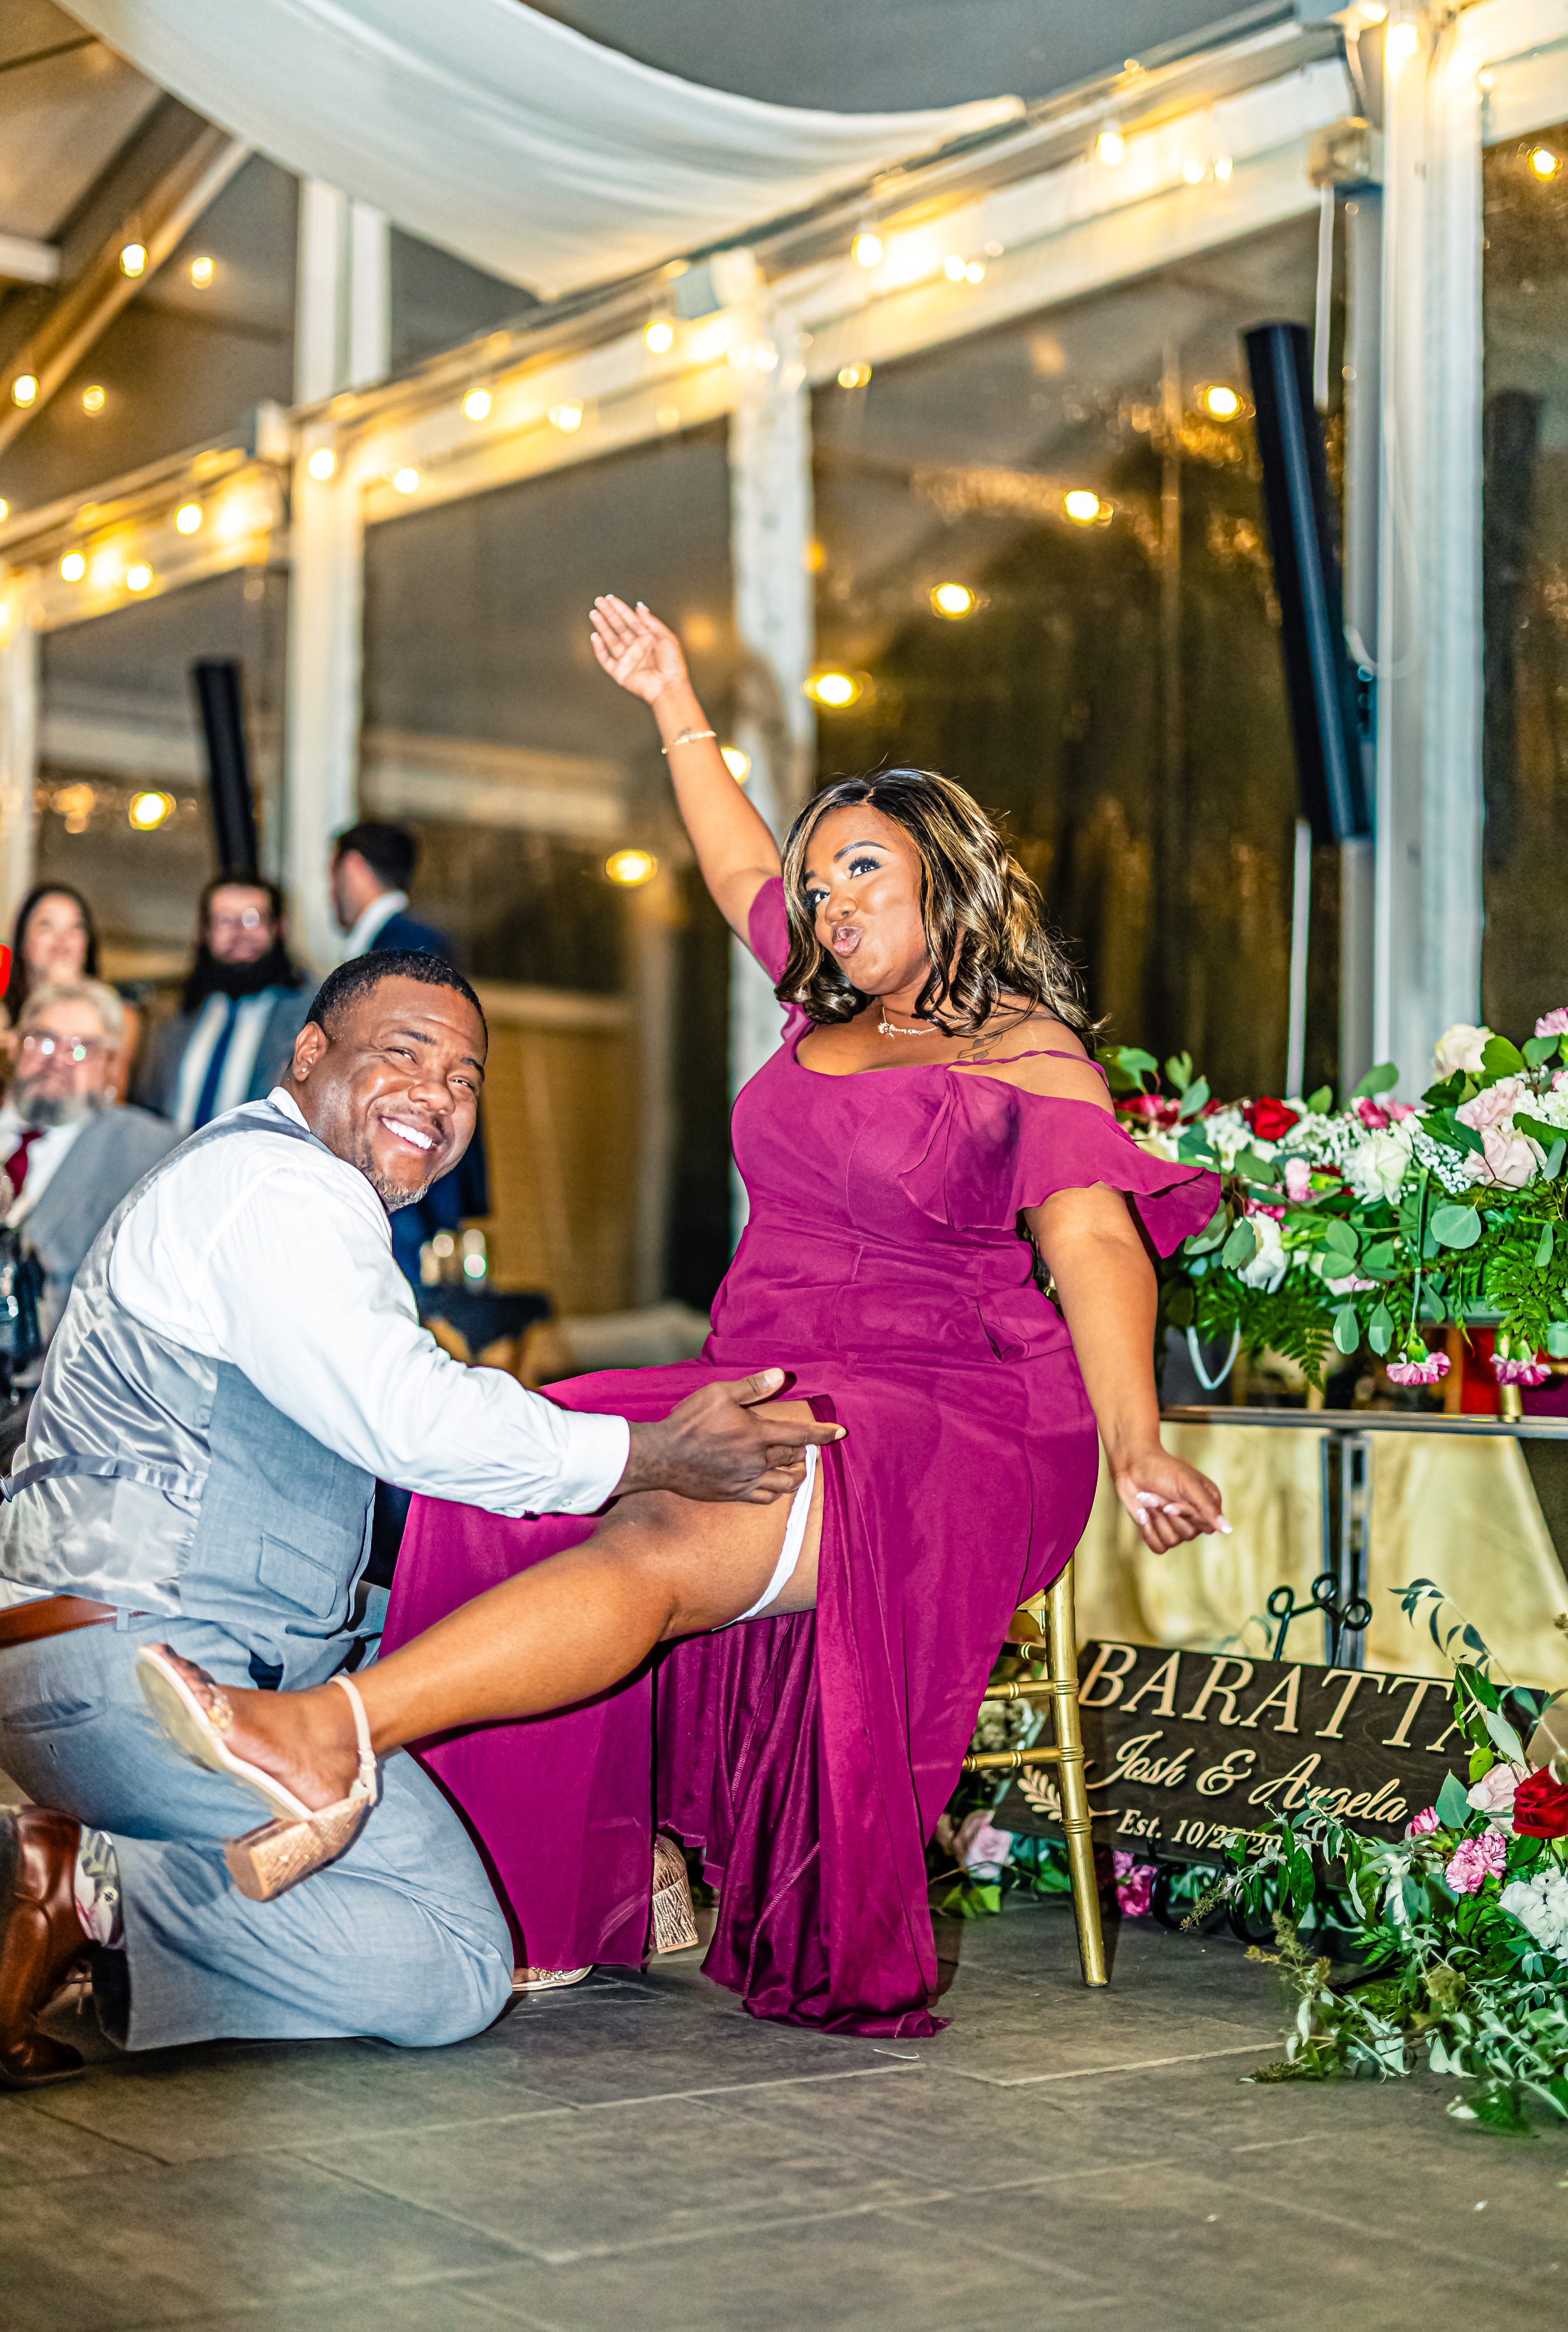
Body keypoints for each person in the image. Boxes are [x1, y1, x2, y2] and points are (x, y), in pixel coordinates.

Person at [130, 594, 1228, 2044]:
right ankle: (513, 1885)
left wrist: (1139, 1439)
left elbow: (1094, 1239)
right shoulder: (817, 1001)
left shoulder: (1028, 1053)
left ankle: (334, 1729)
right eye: (820, 883)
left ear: (946, 882)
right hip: (775, 1364)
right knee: (516, 1466)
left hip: (948, 1404)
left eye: (863, 873)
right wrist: (668, 696)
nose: (827, 903)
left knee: (659, 1526)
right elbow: (731, 857)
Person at [0, 945, 837, 2086]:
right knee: (452, 1966)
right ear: (310, 1053)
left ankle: (103, 1895)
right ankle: (102, 1892)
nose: (438, 1096)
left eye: (465, 1077)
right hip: (148, 1672)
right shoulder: (281, 1188)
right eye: (405, 1053)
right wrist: (657, 1456)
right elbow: (412, 1418)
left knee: (457, 1700)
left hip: (108, 1664)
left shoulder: (256, 1177)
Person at [329, 824, 482, 1285]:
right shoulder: (410, 942)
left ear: (351, 867)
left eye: (330, 874)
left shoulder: (404, 949)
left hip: (395, 1177)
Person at [0, 980, 180, 1344]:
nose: (58, 1061)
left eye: (81, 1049)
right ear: (18, 1048)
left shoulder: (148, 1149)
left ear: (110, 1066)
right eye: (44, 1040)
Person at [135, 877, 314, 1130]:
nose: (240, 933)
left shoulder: (311, 1016)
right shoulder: (171, 1012)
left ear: (278, 928)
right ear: (204, 932)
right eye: (225, 921)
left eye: (253, 919)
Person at [331, 822, 448, 958]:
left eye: (334, 873)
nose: (331, 891)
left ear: (352, 866)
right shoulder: (419, 937)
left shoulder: (397, 948)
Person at [5, 885, 98, 1022]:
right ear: (23, 942)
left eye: (75, 927)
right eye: (46, 925)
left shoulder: (121, 1021)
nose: (62, 938)